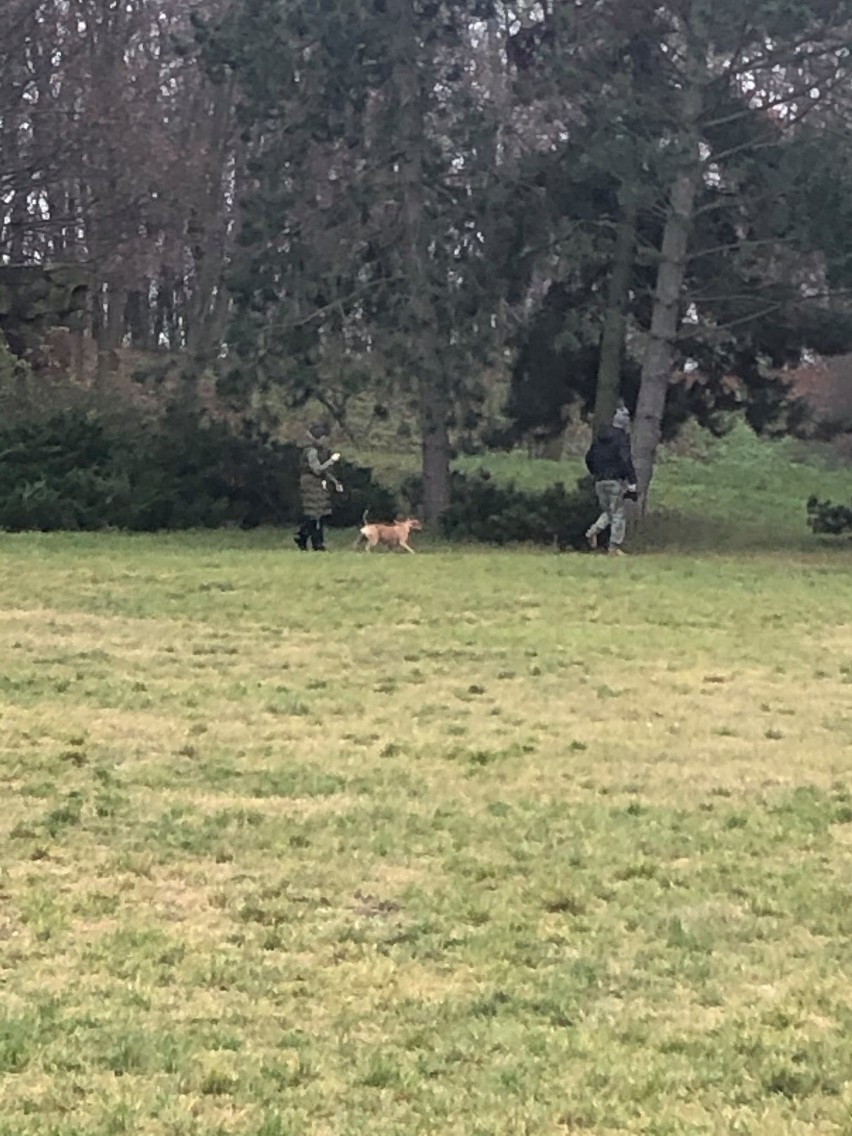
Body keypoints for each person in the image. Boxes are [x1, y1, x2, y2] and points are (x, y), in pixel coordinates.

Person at [584, 405, 638, 556]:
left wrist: (595, 473)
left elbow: (589, 458)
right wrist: (632, 482)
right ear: (625, 422)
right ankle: (614, 547)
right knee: (619, 514)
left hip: (599, 481)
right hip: (615, 481)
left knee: (609, 511)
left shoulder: (600, 438)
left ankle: (593, 531)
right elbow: (625, 460)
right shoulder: (621, 439)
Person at [295, 422, 342, 551]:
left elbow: (323, 471)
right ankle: (316, 542)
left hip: (316, 483)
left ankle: (303, 537)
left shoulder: (319, 451)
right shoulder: (311, 452)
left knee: (319, 514)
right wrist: (332, 460)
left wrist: (334, 481)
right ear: (318, 438)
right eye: (323, 438)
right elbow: (317, 470)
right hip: (310, 484)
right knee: (316, 514)